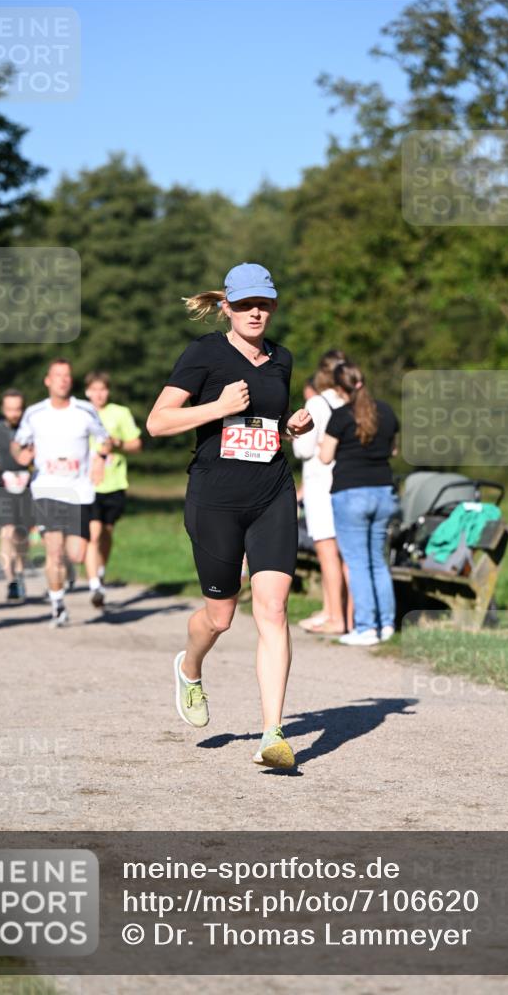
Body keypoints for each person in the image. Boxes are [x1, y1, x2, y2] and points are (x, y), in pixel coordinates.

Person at [147, 262, 313, 769]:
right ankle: (190, 667)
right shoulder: (203, 355)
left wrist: (291, 427)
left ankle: (272, 734)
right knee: (221, 616)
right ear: (227, 308)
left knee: (274, 610)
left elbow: (262, 423)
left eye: (263, 303)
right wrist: (215, 407)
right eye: (244, 305)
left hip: (272, 493)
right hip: (215, 498)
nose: (255, 312)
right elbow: (157, 423)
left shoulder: (281, 358)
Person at [11, 359, 111, 628]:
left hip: (79, 490)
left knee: (76, 554)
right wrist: (20, 455)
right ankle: (57, 604)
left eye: (67, 375)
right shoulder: (34, 413)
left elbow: (105, 439)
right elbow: (18, 444)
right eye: (58, 376)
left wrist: (101, 458)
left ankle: (64, 578)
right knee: (54, 551)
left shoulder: (85, 410)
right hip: (47, 488)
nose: (63, 380)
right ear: (48, 380)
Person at [319, 360, 400, 646]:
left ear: (340, 388)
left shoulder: (340, 416)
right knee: (377, 560)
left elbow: (325, 457)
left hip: (351, 494)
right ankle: (386, 623)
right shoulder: (386, 411)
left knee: (357, 563)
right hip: (383, 492)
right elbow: (393, 449)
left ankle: (366, 627)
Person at [292, 350, 352, 635]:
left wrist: (294, 436)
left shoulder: (316, 402)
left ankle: (333, 616)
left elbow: (304, 448)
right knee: (347, 555)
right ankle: (347, 616)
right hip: (348, 482)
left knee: (327, 553)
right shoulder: (351, 399)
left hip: (320, 484)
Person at [84, 371, 142, 608]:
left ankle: (100, 570)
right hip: (86, 484)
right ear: (87, 391)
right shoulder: (80, 413)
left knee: (106, 533)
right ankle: (94, 585)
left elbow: (136, 444)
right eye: (94, 389)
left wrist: (117, 443)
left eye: (103, 389)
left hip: (115, 482)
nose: (99, 394)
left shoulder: (120, 413)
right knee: (93, 534)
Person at [0, 390, 34, 603]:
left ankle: (21, 571)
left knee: (22, 535)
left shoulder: (32, 428)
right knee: (6, 532)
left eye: (17, 408)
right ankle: (11, 581)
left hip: (27, 486)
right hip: (3, 486)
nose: (14, 413)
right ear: (3, 409)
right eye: (9, 409)